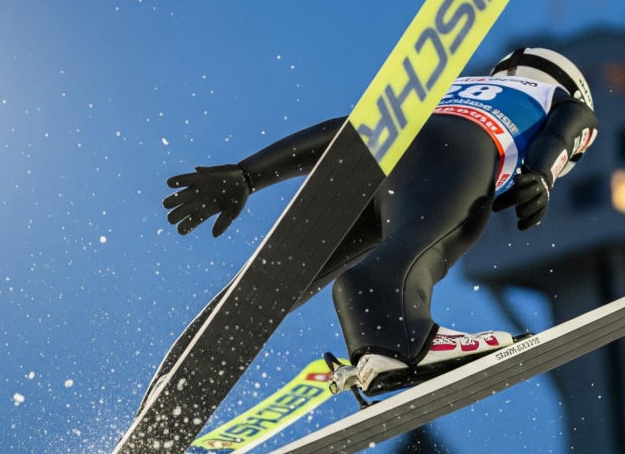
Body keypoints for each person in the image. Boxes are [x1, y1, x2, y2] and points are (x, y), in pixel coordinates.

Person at [163, 48, 598, 394]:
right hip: (461, 151)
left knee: (273, 286)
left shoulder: (452, 86)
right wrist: (542, 175)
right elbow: (568, 131)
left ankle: (174, 387)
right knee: (422, 245)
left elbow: (351, 129)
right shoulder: (556, 100)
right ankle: (401, 337)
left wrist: (248, 174)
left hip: (383, 157)